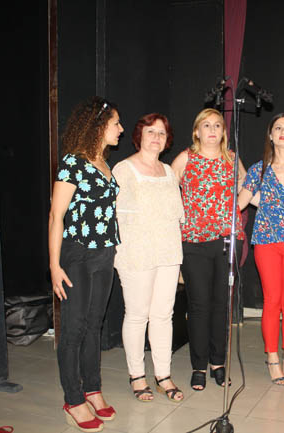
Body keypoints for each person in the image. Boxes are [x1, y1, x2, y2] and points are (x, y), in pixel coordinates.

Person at [49, 96, 123, 432]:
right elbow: (56, 216)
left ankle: (92, 388)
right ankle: (73, 397)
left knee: (95, 324)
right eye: (116, 123)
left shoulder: (104, 163)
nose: (120, 129)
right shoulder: (72, 163)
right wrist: (54, 266)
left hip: (105, 253)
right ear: (98, 125)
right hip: (77, 252)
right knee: (74, 328)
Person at [171, 108, 246, 391]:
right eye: (206, 125)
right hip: (194, 243)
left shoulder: (232, 158)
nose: (212, 130)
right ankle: (199, 366)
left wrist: (234, 210)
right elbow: (168, 192)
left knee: (221, 305)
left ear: (223, 132)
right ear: (197, 131)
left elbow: (246, 185)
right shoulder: (185, 158)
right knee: (199, 305)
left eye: (217, 125)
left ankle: (218, 363)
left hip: (226, 241)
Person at [238, 113, 284, 385]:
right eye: (278, 127)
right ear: (270, 135)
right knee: (272, 301)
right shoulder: (258, 169)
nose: (283, 131)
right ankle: (272, 357)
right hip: (267, 243)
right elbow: (240, 202)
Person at [113, 113, 184, 403]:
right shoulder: (124, 169)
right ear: (139, 135)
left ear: (167, 140)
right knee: (137, 314)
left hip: (168, 251)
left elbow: (178, 215)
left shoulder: (168, 171)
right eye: (151, 132)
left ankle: (163, 375)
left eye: (162, 133)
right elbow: (114, 216)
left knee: (163, 315)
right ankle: (137, 375)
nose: (156, 137)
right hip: (136, 252)